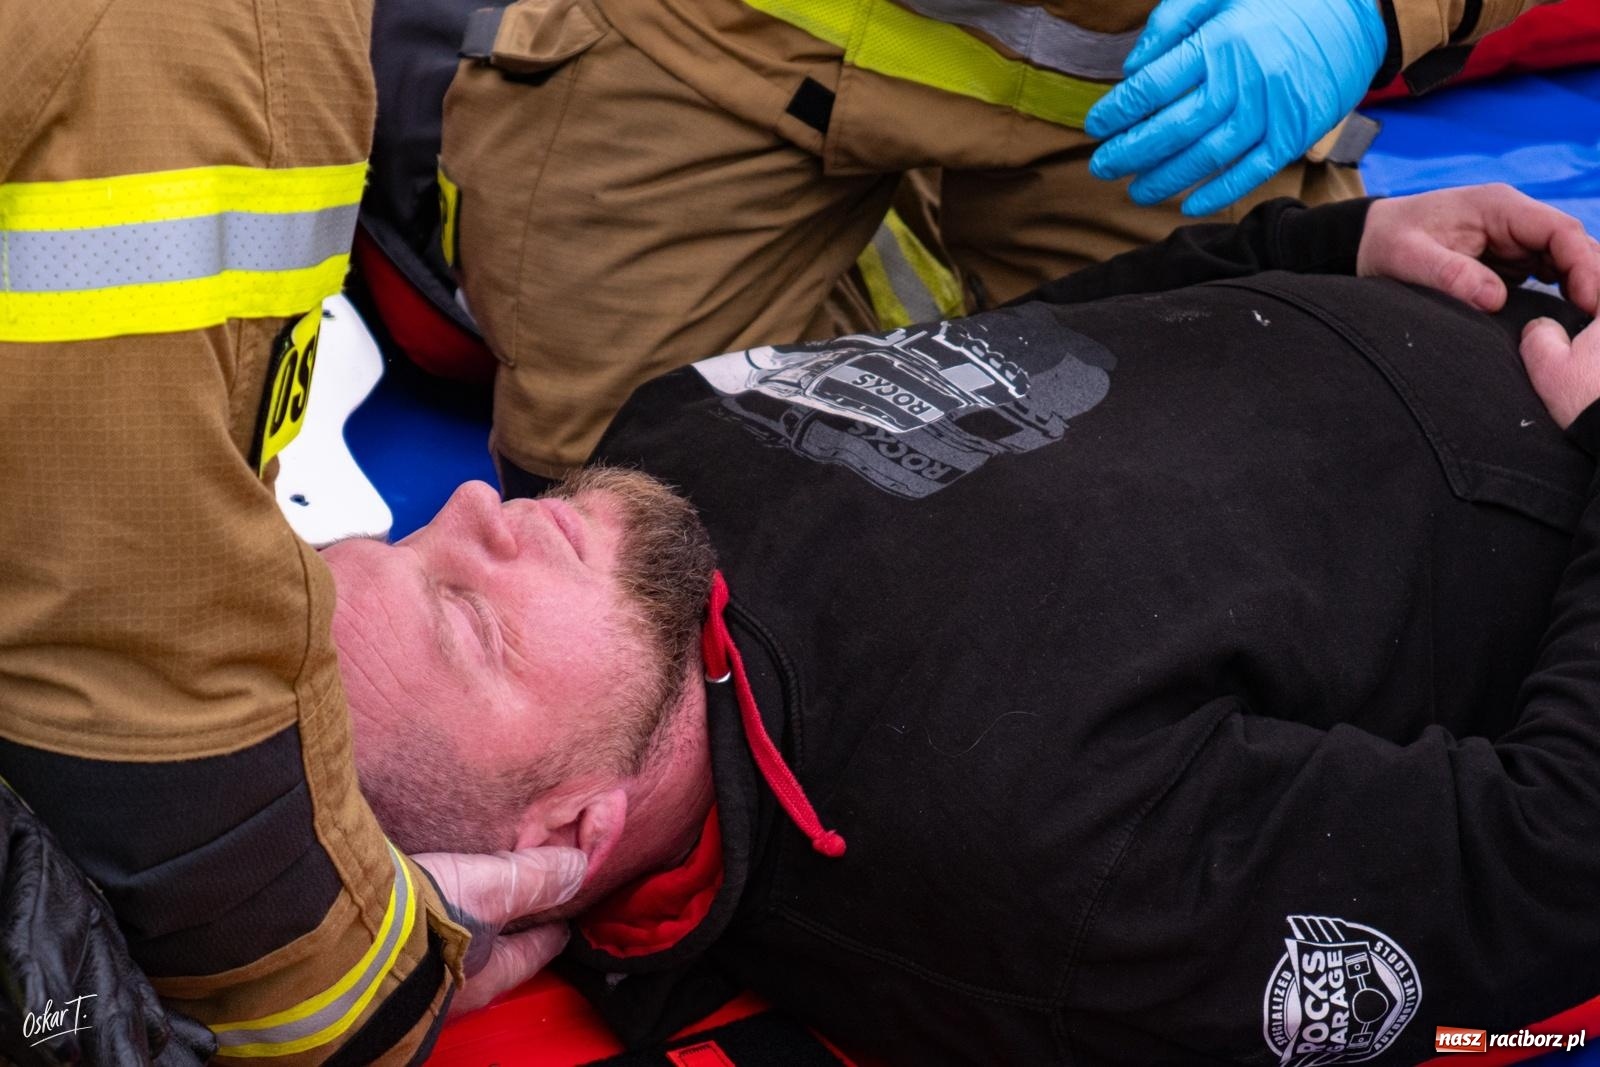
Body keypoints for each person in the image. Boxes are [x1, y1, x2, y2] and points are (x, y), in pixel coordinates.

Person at [323, 183, 1600, 1063]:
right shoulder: (1031, 876)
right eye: (466, 617)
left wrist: (1333, 243)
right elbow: (1551, 864)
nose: (484, 508)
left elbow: (1036, 354)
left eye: (411, 536)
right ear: (569, 828)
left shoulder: (654, 464)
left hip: (1473, 296)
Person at [0, 2, 582, 1061]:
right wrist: (363, 986)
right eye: (466, 618)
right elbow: (119, 653)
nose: (471, 502)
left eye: (471, 616)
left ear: (580, 829)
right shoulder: (213, 38)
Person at [437, 0, 1556, 493]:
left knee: (1225, 476)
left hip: (1154, 95)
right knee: (621, 495)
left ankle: (900, 283)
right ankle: (877, 282)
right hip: (733, 44)